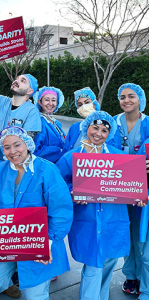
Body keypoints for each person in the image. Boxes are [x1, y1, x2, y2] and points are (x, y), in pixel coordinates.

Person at [0, 126, 73, 300]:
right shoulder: (0, 170)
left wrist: (48, 241)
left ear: (27, 144)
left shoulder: (47, 170)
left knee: (34, 293)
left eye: (17, 145)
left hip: (38, 242)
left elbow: (61, 211)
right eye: (7, 147)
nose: (13, 151)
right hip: (5, 241)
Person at [56, 111, 130, 300]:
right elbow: (57, 184)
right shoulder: (71, 157)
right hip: (87, 219)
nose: (98, 133)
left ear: (110, 133)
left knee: (109, 261)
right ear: (86, 127)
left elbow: (131, 183)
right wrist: (73, 192)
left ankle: (101, 296)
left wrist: (138, 195)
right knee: (93, 264)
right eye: (95, 127)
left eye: (104, 130)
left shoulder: (119, 157)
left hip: (113, 218)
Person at [110, 83, 149, 295]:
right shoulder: (112, 123)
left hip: (143, 190)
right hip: (118, 188)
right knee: (124, 231)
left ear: (140, 99)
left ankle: (145, 277)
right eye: (122, 96)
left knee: (141, 235)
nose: (126, 100)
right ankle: (131, 276)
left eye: (131, 96)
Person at [62, 87, 100, 153]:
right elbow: (66, 151)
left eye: (87, 102)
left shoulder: (105, 127)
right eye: (80, 105)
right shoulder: (75, 127)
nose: (84, 106)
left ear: (94, 103)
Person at [133, 139, 149, 300]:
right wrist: (143, 169)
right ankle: (146, 290)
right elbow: (135, 172)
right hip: (147, 204)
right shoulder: (147, 145)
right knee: (146, 256)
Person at [33, 86, 66, 163]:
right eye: (46, 100)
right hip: (46, 167)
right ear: (40, 102)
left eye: (54, 100)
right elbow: (36, 150)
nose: (50, 103)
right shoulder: (39, 122)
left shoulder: (56, 123)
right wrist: (59, 151)